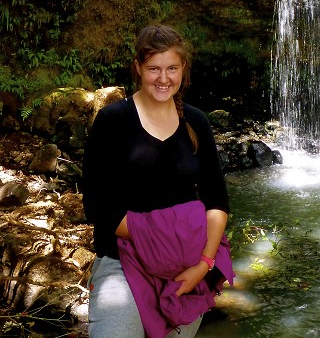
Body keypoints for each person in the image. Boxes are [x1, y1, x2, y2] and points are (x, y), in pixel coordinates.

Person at [82, 23, 233, 338]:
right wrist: (161, 240)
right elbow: (97, 206)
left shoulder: (196, 121)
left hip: (187, 268)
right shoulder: (112, 122)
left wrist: (204, 264)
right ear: (138, 68)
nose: (164, 78)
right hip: (122, 263)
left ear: (183, 69)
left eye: (172, 68)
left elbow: (217, 200)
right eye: (154, 69)